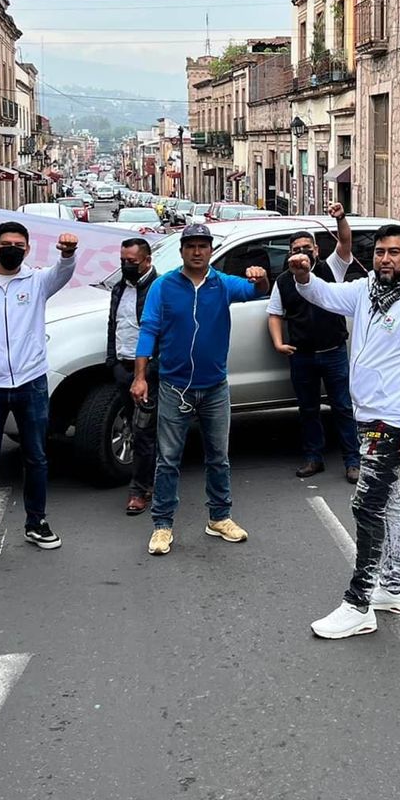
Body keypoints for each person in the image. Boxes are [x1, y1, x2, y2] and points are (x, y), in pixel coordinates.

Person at [290, 223, 400, 639]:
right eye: (379, 252)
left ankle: (359, 603)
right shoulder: (365, 292)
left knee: (367, 506)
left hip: (392, 421)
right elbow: (323, 294)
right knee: (389, 502)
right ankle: (395, 588)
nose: (385, 259)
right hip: (368, 414)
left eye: (394, 252)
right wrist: (304, 277)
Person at [133, 223, 269, 556]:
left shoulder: (222, 284)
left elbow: (258, 291)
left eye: (203, 246)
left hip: (214, 387)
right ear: (182, 251)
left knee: (219, 457)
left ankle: (219, 518)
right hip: (174, 386)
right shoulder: (163, 287)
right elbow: (148, 331)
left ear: (210, 250)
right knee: (168, 460)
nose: (197, 251)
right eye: (191, 245)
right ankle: (162, 525)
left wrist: (260, 275)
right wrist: (140, 377)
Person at [0, 221, 78, 559]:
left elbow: (63, 272)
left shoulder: (37, 281)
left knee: (36, 457)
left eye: (19, 245)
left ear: (28, 249)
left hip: (31, 384)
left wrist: (68, 253)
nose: (12, 249)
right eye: (6, 243)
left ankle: (37, 522)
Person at [268, 203, 361, 483]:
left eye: (307, 247)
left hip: (333, 352)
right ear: (290, 254)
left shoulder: (331, 268)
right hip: (302, 356)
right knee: (308, 410)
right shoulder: (283, 281)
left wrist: (341, 217)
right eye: (297, 248)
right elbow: (274, 313)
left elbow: (345, 242)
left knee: (343, 407)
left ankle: (353, 461)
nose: (303, 252)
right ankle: (313, 458)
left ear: (317, 250)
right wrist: (278, 343)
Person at [108, 238, 159, 515]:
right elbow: (113, 325)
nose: (126, 266)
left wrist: (150, 372)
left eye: (132, 262)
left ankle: (139, 490)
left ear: (147, 261)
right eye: (123, 261)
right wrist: (112, 363)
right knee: (134, 427)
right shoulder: (119, 288)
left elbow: (162, 333)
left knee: (143, 431)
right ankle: (149, 481)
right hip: (122, 369)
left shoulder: (159, 288)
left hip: (148, 373)